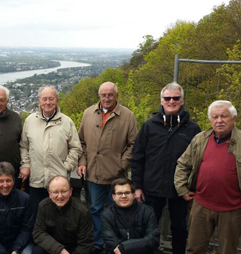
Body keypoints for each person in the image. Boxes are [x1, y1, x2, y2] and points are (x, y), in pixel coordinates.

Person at [174, 100, 241, 254]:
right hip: (200, 207)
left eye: (224, 116)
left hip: (233, 210)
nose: (219, 120)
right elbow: (182, 164)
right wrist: (182, 189)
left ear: (233, 118)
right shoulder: (200, 139)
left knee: (228, 251)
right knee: (194, 249)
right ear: (210, 120)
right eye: (215, 117)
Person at [130, 82, 200, 254]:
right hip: (151, 188)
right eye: (167, 98)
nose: (171, 101)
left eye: (175, 98)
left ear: (182, 101)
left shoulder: (192, 129)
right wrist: (137, 187)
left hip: (180, 190)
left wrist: (194, 188)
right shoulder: (149, 126)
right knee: (149, 229)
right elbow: (137, 158)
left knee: (180, 228)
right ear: (161, 101)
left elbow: (199, 161)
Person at [77, 81, 138, 253]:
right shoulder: (88, 113)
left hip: (117, 177)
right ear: (99, 96)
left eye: (110, 94)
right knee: (95, 209)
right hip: (93, 174)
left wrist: (121, 164)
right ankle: (98, 243)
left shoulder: (127, 116)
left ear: (116, 95)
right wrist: (82, 163)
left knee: (118, 210)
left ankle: (115, 245)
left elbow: (134, 145)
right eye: (104, 95)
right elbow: (80, 142)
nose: (107, 98)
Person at [19, 86, 82, 212]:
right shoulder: (30, 121)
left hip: (59, 180)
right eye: (44, 99)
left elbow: (76, 148)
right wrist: (25, 164)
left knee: (59, 215)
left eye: (51, 99)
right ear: (39, 101)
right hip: (36, 179)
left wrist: (66, 167)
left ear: (57, 100)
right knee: (37, 214)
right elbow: (24, 146)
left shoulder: (66, 122)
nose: (48, 102)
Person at [0, 162, 35, 254]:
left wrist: (16, 249)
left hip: (20, 245)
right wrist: (2, 252)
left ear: (14, 180)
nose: (5, 185)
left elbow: (27, 228)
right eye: (1, 181)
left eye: (8, 180)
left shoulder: (25, 199)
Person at [32, 175, 94, 254]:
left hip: (73, 250)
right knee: (37, 251)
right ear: (49, 194)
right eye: (55, 192)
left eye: (64, 191)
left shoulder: (82, 211)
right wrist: (60, 250)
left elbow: (86, 244)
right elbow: (39, 233)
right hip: (52, 249)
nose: (60, 196)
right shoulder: (43, 206)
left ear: (70, 191)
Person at [101, 178, 160, 254]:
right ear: (113, 197)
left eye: (127, 193)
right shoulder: (106, 215)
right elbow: (110, 241)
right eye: (119, 193)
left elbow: (153, 240)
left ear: (134, 195)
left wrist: (125, 247)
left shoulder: (147, 211)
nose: (123, 196)